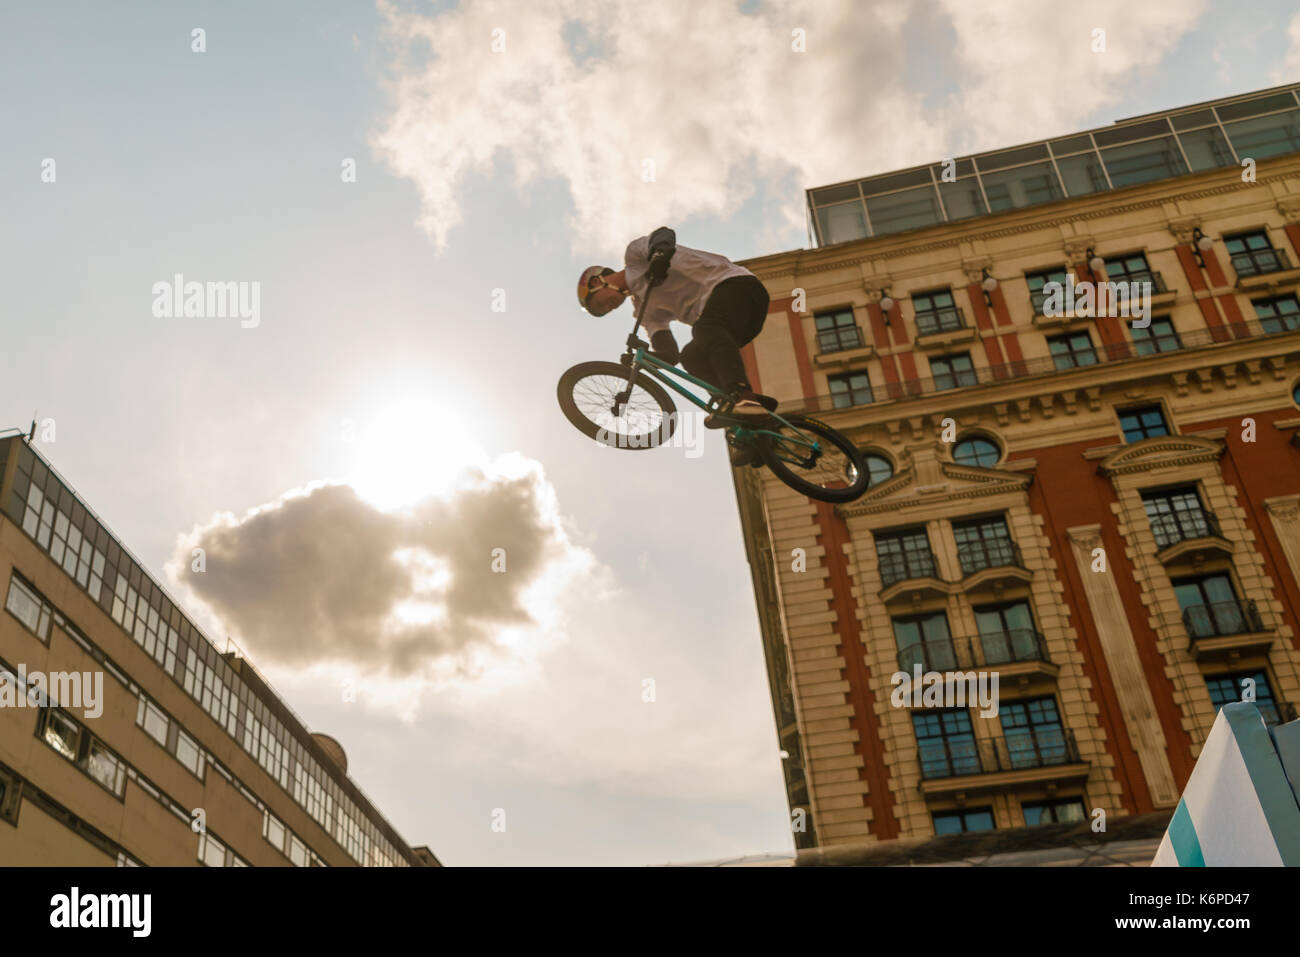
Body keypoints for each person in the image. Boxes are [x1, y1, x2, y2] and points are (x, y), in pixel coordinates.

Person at [576, 227, 776, 466]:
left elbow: (663, 236)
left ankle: (744, 395)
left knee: (704, 330)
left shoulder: (635, 258)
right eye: (604, 312)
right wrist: (645, 358)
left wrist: (659, 257)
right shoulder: (644, 310)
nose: (608, 308)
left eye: (600, 305)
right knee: (691, 355)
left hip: (737, 287)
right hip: (732, 325)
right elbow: (669, 354)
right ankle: (756, 430)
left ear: (598, 281)